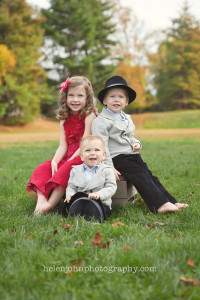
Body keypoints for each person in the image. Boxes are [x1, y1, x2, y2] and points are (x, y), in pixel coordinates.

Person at [92, 75, 189, 213]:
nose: (116, 100)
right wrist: (109, 168)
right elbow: (101, 146)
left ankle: (170, 201)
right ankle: (160, 205)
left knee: (149, 175)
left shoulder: (126, 118)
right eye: (112, 96)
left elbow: (130, 136)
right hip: (116, 158)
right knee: (141, 176)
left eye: (120, 97)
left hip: (131, 155)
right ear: (104, 100)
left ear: (126, 102)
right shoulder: (101, 121)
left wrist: (136, 143)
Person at [27, 76, 97, 215]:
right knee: (43, 168)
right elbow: (62, 146)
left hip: (82, 156)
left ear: (87, 98)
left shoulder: (89, 116)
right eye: (71, 95)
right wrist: (55, 160)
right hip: (67, 156)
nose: (75, 100)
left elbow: (84, 144)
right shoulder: (65, 118)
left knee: (63, 171)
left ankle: (49, 205)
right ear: (65, 97)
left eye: (80, 96)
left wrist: (68, 162)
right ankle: (41, 200)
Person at [63, 135, 117, 219]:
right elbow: (71, 186)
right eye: (88, 150)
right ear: (81, 156)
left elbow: (111, 187)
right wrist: (70, 195)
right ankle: (75, 213)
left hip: (100, 203)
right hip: (80, 202)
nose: (92, 153)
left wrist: (99, 195)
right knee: (65, 210)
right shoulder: (75, 170)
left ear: (103, 155)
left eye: (97, 150)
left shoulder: (107, 170)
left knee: (96, 212)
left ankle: (92, 216)